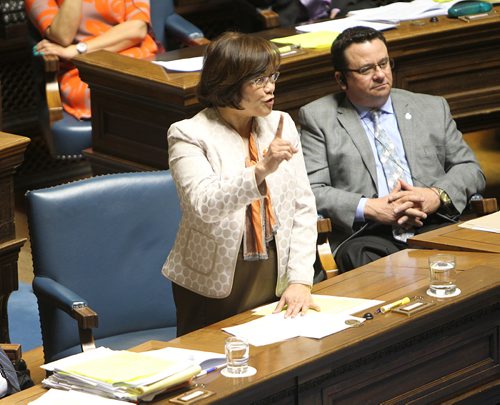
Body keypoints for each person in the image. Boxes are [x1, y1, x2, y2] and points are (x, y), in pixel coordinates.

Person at [162, 31, 319, 336]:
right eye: (258, 80)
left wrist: (300, 279)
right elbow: (203, 204)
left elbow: (303, 206)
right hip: (215, 278)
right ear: (228, 83)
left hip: (276, 266)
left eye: (272, 76)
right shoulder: (189, 134)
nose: (270, 87)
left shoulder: (281, 123)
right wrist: (261, 170)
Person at [299, 26, 485, 273]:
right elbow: (312, 190)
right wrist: (370, 208)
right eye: (366, 69)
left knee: (466, 257)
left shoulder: (431, 108)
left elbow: (470, 169)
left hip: (434, 222)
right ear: (341, 80)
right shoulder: (318, 118)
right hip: (368, 234)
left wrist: (435, 195)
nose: (380, 75)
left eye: (384, 64)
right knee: (362, 262)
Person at [26, 0, 159, 120]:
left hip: (138, 55)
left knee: (159, 87)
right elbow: (63, 36)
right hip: (83, 69)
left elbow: (137, 29)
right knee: (111, 92)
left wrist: (78, 49)